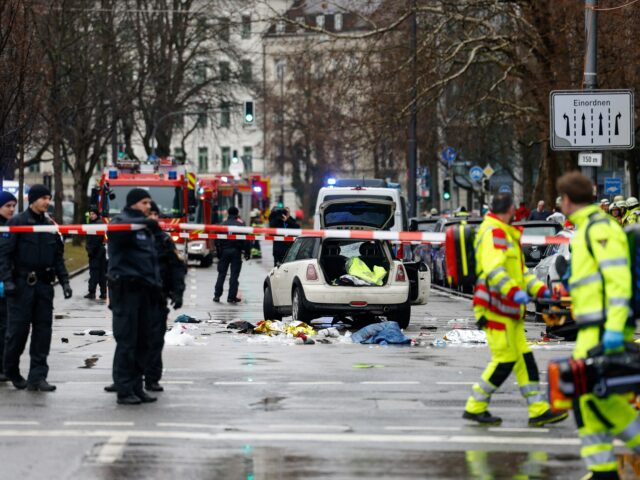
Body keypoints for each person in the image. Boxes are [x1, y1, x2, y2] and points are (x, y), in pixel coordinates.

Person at [557, 172, 639, 480]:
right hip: (591, 329)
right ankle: (602, 471)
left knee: (597, 400)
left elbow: (618, 284)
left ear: (567, 200)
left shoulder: (599, 229)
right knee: (585, 403)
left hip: (605, 330)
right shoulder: (585, 230)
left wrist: (616, 330)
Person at [463, 192, 568, 427]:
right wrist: (515, 293)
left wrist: (542, 291)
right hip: (494, 309)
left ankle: (538, 410)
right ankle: (475, 406)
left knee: (525, 360)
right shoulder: (495, 233)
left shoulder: (507, 234)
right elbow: (494, 271)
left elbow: (521, 274)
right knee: (505, 360)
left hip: (508, 310)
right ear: (510, 210)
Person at [0, 185, 72, 391]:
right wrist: (8, 281)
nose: (46, 202)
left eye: (48, 197)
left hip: (43, 286)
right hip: (21, 286)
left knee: (43, 333)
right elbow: (4, 256)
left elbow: (58, 257)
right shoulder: (17, 223)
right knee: (17, 332)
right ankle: (11, 370)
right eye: (42, 198)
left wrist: (65, 281)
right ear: (32, 200)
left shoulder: (50, 225)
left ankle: (38, 377)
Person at [107, 188, 161, 405]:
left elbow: (150, 259)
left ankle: (137, 387)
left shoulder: (144, 225)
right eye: (145, 202)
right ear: (135, 203)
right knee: (127, 342)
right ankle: (124, 389)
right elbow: (116, 232)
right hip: (126, 290)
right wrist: (144, 224)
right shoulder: (122, 221)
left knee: (143, 342)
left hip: (145, 291)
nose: (149, 206)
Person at [213, 206, 250, 303]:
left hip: (224, 251)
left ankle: (217, 295)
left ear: (228, 213)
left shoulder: (222, 224)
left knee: (221, 274)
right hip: (236, 252)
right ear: (237, 213)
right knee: (234, 275)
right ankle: (231, 297)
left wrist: (219, 252)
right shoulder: (241, 225)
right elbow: (246, 240)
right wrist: (247, 252)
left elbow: (217, 240)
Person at [0, 191, 17, 382]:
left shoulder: (13, 227)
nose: (12, 209)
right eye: (8, 206)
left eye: (14, 206)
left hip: (8, 284)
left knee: (7, 327)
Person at [84, 207, 107, 300]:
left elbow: (94, 240)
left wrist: (90, 251)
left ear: (97, 214)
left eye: (93, 214)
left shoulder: (96, 224)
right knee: (102, 273)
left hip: (96, 252)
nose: (91, 215)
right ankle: (103, 293)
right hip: (100, 251)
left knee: (94, 272)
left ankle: (92, 292)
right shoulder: (97, 223)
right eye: (90, 213)